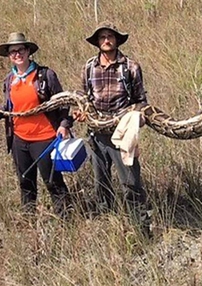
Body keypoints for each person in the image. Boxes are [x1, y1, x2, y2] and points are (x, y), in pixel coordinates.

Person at [0, 32, 72, 220]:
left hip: (45, 138)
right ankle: (28, 220)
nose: (17, 54)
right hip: (19, 139)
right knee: (25, 181)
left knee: (52, 181)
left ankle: (67, 220)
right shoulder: (9, 80)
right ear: (9, 56)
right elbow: (10, 109)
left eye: (20, 49)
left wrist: (64, 125)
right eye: (12, 51)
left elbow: (63, 102)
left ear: (28, 51)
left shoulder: (45, 75)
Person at [73, 21, 151, 237]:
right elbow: (83, 98)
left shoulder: (130, 67)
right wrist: (80, 114)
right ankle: (107, 227)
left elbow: (140, 100)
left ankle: (141, 228)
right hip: (96, 135)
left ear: (116, 40)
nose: (106, 40)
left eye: (110, 36)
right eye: (102, 37)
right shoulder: (88, 67)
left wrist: (136, 117)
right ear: (97, 42)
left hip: (123, 134)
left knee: (131, 182)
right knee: (101, 183)